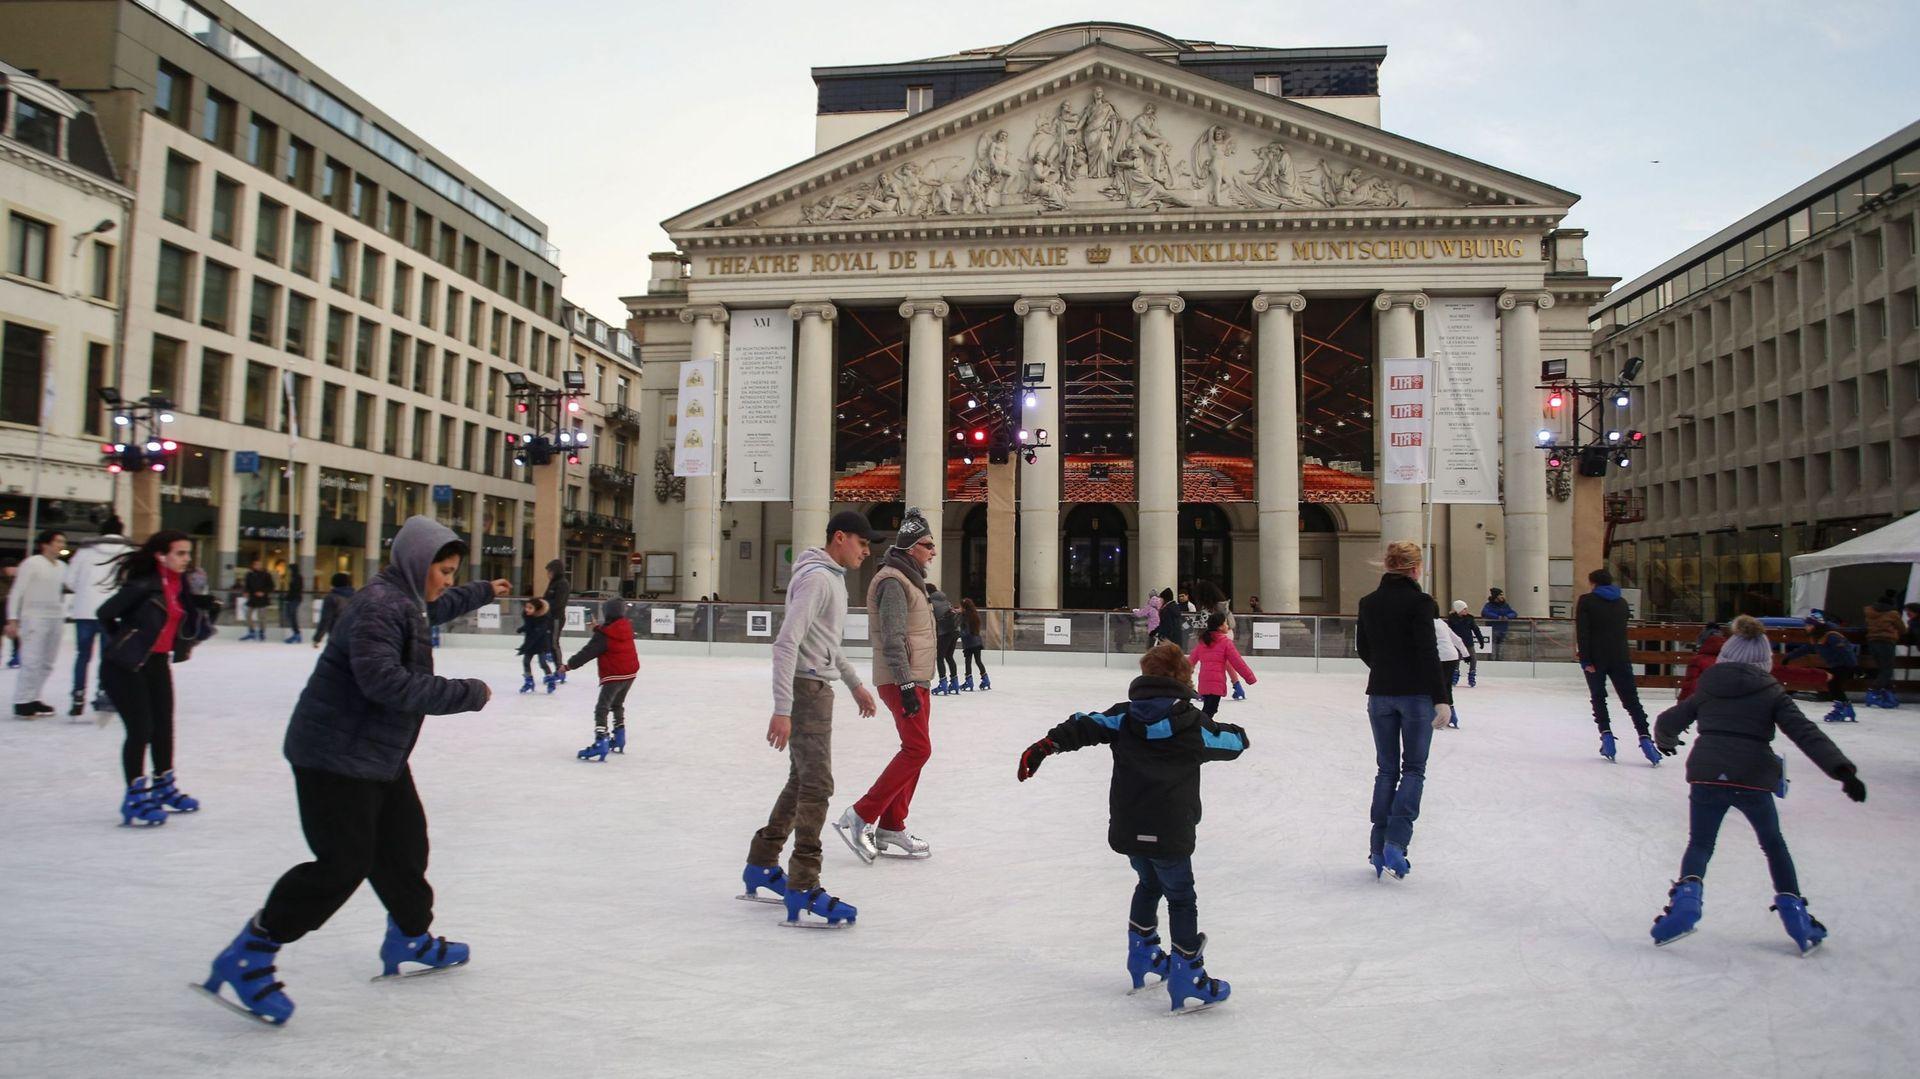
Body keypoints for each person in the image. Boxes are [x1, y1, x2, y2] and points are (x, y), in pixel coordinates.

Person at [197, 516, 509, 1025]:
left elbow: (441, 604)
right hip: (332, 756)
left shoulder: (407, 598)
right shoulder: (380, 608)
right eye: (445, 571)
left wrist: (483, 590)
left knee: (406, 848)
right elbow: (384, 682)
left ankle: (409, 936)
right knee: (342, 864)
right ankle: (250, 952)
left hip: (377, 755)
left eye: (454, 572)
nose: (447, 581)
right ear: (416, 564)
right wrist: (466, 693)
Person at [1015, 641, 1248, 1013]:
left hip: (1129, 829)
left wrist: (1043, 747)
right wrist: (1222, 724)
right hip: (1171, 833)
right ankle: (1189, 973)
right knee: (1181, 897)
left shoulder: (1123, 718)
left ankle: (1145, 955)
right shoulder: (1191, 723)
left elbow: (1082, 726)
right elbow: (1235, 742)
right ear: (1182, 677)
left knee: (1148, 882)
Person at [1648, 615, 1867, 953]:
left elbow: (1669, 720)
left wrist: (1665, 739)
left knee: (1701, 844)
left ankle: (1686, 902)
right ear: (1764, 661)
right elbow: (1806, 733)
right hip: (1752, 776)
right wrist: (1842, 770)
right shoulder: (1771, 692)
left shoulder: (1708, 686)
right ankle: (1795, 914)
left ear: (1726, 657)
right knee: (1773, 844)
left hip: (1707, 772)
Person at [741, 510, 881, 928]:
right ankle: (803, 883)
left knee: (802, 781)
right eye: (861, 542)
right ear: (840, 538)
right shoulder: (818, 579)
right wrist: (782, 708)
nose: (866, 551)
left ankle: (762, 863)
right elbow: (787, 644)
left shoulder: (830, 578)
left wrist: (855, 683)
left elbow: (826, 643)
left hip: (817, 689)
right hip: (806, 691)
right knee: (818, 785)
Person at [836, 508, 939, 863]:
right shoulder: (894, 581)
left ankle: (892, 825)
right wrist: (907, 684)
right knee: (917, 750)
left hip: (915, 677)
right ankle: (861, 815)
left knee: (917, 750)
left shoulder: (909, 578)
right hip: (902, 679)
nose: (933, 552)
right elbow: (893, 638)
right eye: (928, 545)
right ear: (912, 547)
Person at [98, 530, 214, 825]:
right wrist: (126, 641)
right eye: (180, 553)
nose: (186, 559)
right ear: (160, 555)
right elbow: (105, 613)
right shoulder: (143, 585)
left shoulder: (181, 586)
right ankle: (135, 795)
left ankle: (163, 785)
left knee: (164, 727)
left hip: (158, 663)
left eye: (188, 554)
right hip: (126, 665)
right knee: (141, 729)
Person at [1354, 540, 1446, 880]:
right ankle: (1396, 840)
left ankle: (1378, 845)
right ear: (1415, 568)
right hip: (1415, 695)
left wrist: (1384, 669)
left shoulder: (1369, 602)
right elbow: (1428, 651)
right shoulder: (1421, 602)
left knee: (1386, 770)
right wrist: (1442, 697)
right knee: (1414, 769)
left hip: (1380, 694)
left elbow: (1363, 647)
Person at [1575, 569, 1660, 765]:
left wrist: (1585, 659)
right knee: (1631, 700)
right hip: (1620, 656)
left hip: (1596, 657)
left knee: (1599, 696)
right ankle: (1646, 738)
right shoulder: (1621, 602)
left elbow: (1583, 632)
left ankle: (1607, 738)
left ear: (1593, 582)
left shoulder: (1587, 601)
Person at [64, 518, 134, 716]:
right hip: (111, 612)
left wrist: (85, 590)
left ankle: (78, 693)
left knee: (82, 655)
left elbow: (69, 580)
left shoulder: (84, 552)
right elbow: (130, 583)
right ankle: (104, 692)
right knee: (108, 656)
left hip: (84, 610)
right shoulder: (126, 553)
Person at [560, 599, 640, 760]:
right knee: (617, 704)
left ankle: (600, 741)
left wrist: (568, 666)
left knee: (602, 708)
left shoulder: (604, 636)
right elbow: (610, 633)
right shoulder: (624, 626)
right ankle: (619, 736)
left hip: (614, 674)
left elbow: (587, 653)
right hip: (630, 673)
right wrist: (596, 628)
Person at [6, 529, 67, 717]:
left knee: (47, 662)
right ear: (45, 544)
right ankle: (22, 700)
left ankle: (34, 696)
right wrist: (12, 619)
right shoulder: (31, 564)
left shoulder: (62, 567)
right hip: (34, 616)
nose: (61, 545)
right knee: (32, 660)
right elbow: (17, 592)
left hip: (55, 617)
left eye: (62, 542)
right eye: (57, 541)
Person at [1785, 616, 1861, 723]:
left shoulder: (1831, 636)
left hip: (1845, 665)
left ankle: (1843, 709)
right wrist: (1789, 656)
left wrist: (1854, 666)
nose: (1806, 627)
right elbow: (1805, 649)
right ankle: (1845, 708)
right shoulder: (1816, 638)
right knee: (1833, 685)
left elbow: (1846, 650)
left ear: (1816, 626)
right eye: (1806, 625)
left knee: (1833, 684)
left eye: (1809, 625)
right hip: (1836, 665)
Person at [1188, 612, 1255, 717]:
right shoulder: (1225, 642)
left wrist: (1178, 675)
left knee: (1208, 710)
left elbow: (1190, 661)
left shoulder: (1203, 642)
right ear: (1219, 627)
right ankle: (1199, 729)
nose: (1227, 626)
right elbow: (1238, 662)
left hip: (1204, 682)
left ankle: (1201, 728)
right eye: (1225, 623)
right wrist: (1250, 677)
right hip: (1216, 683)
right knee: (1209, 711)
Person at [1861, 590, 1904, 708]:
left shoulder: (1869, 612)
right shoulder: (1893, 614)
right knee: (1887, 669)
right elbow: (1902, 628)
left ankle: (1887, 692)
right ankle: (1873, 690)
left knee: (1882, 668)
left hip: (1872, 641)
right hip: (1887, 642)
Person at [1433, 616, 1471, 729]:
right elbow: (1457, 639)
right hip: (1452, 656)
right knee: (1447, 686)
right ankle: (1452, 717)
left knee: (1437, 687)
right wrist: (1466, 654)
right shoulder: (1442, 623)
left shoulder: (1428, 623)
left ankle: (1440, 717)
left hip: (1440, 657)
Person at [514, 597, 556, 692]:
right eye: (526, 607)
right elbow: (529, 626)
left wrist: (524, 647)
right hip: (531, 643)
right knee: (526, 662)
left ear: (536, 610)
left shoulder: (543, 620)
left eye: (530, 608)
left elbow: (536, 634)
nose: (526, 609)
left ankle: (550, 681)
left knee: (542, 663)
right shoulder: (528, 616)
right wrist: (522, 628)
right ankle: (529, 682)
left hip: (541, 644)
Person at [928, 582, 961, 696]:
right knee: (949, 656)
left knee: (940, 657)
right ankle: (955, 682)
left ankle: (943, 683)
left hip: (945, 631)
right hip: (955, 630)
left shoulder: (930, 602)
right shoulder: (946, 600)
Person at [1444, 600, 1485, 689]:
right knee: (1456, 659)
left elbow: (1476, 630)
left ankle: (1472, 675)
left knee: (1473, 658)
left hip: (1468, 643)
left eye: (1466, 609)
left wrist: (1481, 640)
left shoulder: (1469, 619)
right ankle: (1454, 676)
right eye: (1464, 609)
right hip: (1457, 644)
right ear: (1458, 610)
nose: (1466, 610)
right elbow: (1448, 631)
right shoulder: (1452, 619)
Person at [542, 558, 571, 681]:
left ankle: (560, 670)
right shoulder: (553, 583)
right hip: (549, 617)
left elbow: (558, 602)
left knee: (554, 643)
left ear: (555, 571)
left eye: (549, 571)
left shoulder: (562, 583)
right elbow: (546, 598)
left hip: (556, 618)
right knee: (549, 642)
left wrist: (545, 606)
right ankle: (557, 668)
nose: (548, 574)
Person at [312, 572, 354, 650]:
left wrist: (317, 638)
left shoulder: (331, 598)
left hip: (336, 638)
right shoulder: (358, 597)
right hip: (355, 638)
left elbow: (326, 620)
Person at [958, 597, 990, 691]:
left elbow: (966, 631)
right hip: (977, 642)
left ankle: (969, 681)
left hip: (969, 642)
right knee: (978, 661)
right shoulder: (974, 614)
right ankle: (986, 679)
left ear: (964, 607)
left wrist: (958, 634)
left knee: (968, 661)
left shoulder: (965, 616)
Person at [1481, 587, 1517, 660]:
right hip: (1492, 630)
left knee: (1501, 650)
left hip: (1503, 630)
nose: (1502, 597)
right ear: (1496, 596)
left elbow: (1514, 613)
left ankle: (1500, 662)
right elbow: (1485, 612)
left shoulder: (1505, 605)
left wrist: (1507, 616)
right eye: (1500, 595)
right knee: (1492, 649)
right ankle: (1491, 663)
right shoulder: (1489, 605)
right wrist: (1497, 617)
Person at [241, 560, 274, 641]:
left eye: (259, 564)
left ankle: (262, 632)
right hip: (252, 598)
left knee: (262, 617)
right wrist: (246, 592)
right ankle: (251, 631)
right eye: (256, 564)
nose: (257, 566)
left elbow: (271, 586)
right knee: (248, 615)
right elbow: (247, 585)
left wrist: (263, 592)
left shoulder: (266, 575)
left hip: (262, 599)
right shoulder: (249, 574)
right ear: (253, 565)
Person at [1, 557, 19, 667]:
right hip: (1, 608)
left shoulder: (16, 579)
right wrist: (7, 596)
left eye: (14, 567)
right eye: (10, 567)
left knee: (15, 633)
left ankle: (16, 655)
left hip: (12, 609)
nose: (13, 570)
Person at [282, 568, 306, 644]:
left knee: (292, 616)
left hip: (295, 599)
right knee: (290, 616)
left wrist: (288, 597)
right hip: (293, 599)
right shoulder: (294, 577)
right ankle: (296, 634)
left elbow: (295, 589)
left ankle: (297, 634)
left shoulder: (297, 578)